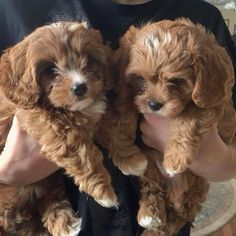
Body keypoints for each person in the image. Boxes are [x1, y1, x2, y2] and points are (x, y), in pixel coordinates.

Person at [0, 0, 236, 235]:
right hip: (44, 215)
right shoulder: (13, 9)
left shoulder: (204, 18)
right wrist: (8, 170)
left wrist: (208, 154)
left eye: (176, 82)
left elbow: (229, 160)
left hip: (161, 211)